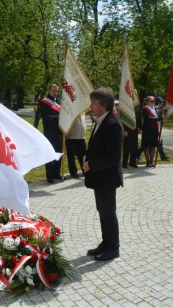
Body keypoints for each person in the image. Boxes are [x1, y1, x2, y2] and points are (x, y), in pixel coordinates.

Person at [83, 87, 123, 261]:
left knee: (108, 213)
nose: (91, 106)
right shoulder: (101, 120)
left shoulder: (113, 125)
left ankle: (113, 248)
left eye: (93, 103)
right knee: (102, 212)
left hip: (107, 177)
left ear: (104, 105)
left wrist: (91, 164)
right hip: (100, 177)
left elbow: (113, 157)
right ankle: (106, 243)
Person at [34, 84, 63, 183]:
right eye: (53, 91)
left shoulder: (59, 101)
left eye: (57, 91)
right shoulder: (44, 102)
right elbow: (46, 118)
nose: (55, 93)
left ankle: (56, 173)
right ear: (49, 91)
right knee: (50, 154)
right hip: (50, 132)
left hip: (59, 132)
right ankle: (49, 175)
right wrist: (60, 118)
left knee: (58, 153)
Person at [141, 96, 164, 168]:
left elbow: (159, 115)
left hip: (154, 130)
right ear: (147, 102)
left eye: (154, 101)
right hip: (147, 130)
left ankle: (151, 161)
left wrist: (163, 111)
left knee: (153, 146)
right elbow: (149, 119)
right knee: (147, 147)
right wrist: (159, 118)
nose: (153, 102)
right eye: (151, 101)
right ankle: (147, 162)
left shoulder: (155, 109)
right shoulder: (145, 109)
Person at [119, 103, 141, 169]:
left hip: (135, 129)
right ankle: (124, 163)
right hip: (127, 129)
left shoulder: (137, 105)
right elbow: (122, 119)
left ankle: (132, 162)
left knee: (134, 147)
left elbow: (140, 117)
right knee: (127, 147)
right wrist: (124, 130)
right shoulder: (125, 103)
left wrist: (140, 127)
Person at [65, 113, 87, 178]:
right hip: (71, 137)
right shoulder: (72, 109)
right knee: (71, 156)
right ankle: (73, 172)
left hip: (82, 137)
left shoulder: (83, 111)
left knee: (83, 156)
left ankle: (85, 170)